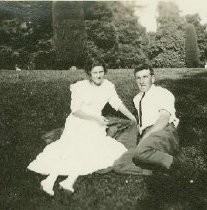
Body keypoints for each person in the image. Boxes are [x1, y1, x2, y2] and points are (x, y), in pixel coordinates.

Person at [27, 57, 137, 196]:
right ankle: (50, 180)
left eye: (101, 71)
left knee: (86, 151)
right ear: (89, 73)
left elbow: (117, 104)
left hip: (95, 125)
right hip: (78, 121)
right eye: (95, 72)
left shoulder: (108, 86)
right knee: (71, 149)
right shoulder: (80, 87)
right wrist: (96, 117)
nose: (99, 75)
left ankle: (69, 181)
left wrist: (131, 117)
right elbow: (76, 110)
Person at [131, 63, 196, 182]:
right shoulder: (137, 99)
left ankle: (180, 166)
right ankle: (161, 168)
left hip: (163, 131)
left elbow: (163, 119)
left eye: (145, 77)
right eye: (138, 78)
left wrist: (145, 137)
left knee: (139, 153)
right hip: (149, 133)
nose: (142, 81)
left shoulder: (162, 93)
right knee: (132, 159)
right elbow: (140, 122)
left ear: (153, 78)